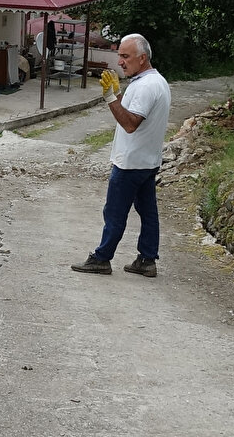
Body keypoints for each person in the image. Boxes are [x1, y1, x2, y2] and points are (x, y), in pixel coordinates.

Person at [71, 33, 171, 277]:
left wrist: (109, 98)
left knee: (114, 212)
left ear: (142, 58)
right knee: (148, 213)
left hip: (130, 163)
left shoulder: (146, 86)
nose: (120, 62)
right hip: (147, 160)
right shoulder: (156, 81)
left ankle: (102, 258)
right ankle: (147, 259)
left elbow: (130, 123)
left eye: (125, 56)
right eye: (120, 56)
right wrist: (119, 95)